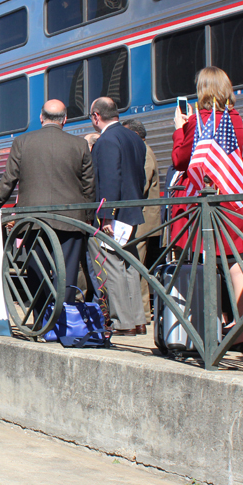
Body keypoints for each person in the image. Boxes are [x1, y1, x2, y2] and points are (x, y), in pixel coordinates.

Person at [171, 67, 243, 348]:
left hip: (202, 202)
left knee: (202, 262)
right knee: (234, 263)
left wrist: (179, 129)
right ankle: (240, 334)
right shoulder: (236, 120)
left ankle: (208, 331)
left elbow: (181, 160)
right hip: (230, 200)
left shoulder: (198, 121)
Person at [0, 100, 95, 310]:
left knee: (38, 270)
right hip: (71, 219)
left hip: (33, 219)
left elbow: (8, 180)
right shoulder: (80, 144)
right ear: (65, 119)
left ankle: (39, 319)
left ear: (41, 118)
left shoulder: (22, 141)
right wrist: (88, 216)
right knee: (68, 272)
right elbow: (89, 185)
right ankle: (63, 319)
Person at [88, 96, 148, 336]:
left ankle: (123, 322)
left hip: (114, 214)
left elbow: (110, 180)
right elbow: (140, 178)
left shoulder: (106, 140)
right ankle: (138, 320)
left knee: (112, 267)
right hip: (133, 211)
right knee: (131, 267)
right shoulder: (134, 138)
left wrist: (105, 216)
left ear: (96, 116)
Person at [123, 119, 160, 323]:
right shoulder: (143, 150)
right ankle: (141, 313)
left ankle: (142, 314)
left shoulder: (144, 152)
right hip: (144, 218)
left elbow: (141, 184)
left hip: (144, 219)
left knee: (137, 268)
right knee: (138, 268)